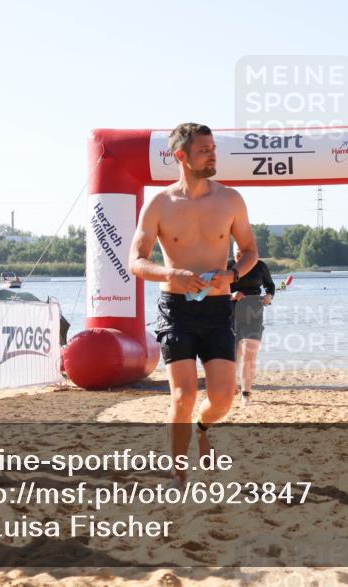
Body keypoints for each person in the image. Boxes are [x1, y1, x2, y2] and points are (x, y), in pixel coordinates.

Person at [129, 122, 258, 485]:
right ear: (181, 156)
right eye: (205, 150)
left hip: (218, 310)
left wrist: (231, 275)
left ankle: (203, 428)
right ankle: (178, 469)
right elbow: (135, 261)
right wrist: (173, 275)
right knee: (183, 395)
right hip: (177, 309)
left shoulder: (230, 199)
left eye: (214, 148)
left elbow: (250, 252)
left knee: (223, 399)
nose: (213, 154)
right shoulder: (160, 203)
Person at [228, 246, 275, 407]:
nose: (239, 259)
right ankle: (231, 385)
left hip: (254, 312)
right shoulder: (227, 266)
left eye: (243, 255)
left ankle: (245, 394)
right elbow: (214, 289)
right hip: (230, 314)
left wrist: (269, 296)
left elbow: (270, 285)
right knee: (233, 355)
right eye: (237, 255)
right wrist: (231, 295)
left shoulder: (260, 266)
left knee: (249, 353)